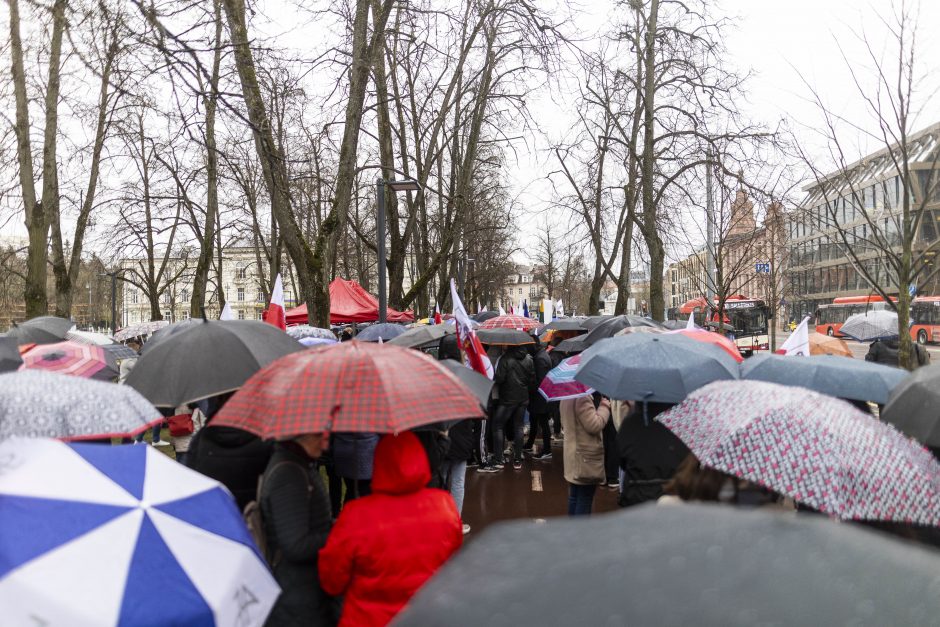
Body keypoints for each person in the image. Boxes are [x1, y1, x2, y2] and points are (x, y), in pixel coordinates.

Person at [319, 432, 462, 627]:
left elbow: (332, 580)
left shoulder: (356, 514)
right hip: (426, 617)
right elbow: (453, 564)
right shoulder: (444, 505)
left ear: (379, 462)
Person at [262, 433, 336, 626]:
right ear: (299, 436)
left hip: (304, 590)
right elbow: (295, 545)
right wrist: (338, 533)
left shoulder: (300, 464)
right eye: (318, 434)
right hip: (296, 598)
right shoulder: (289, 475)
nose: (326, 440)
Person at [186, 392, 274, 511]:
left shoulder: (201, 439)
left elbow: (192, 478)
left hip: (216, 514)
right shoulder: (268, 440)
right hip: (253, 517)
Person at [479, 345, 534, 472]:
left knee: (497, 426)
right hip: (523, 397)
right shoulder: (529, 359)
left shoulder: (505, 359)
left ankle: (498, 459)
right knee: (518, 426)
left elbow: (499, 378)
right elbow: (532, 378)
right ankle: (518, 459)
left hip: (507, 399)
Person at [560, 393, 611, 516]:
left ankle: (573, 532)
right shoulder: (582, 398)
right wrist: (604, 407)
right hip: (585, 457)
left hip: (572, 455)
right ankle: (580, 534)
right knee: (584, 499)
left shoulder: (566, 395)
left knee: (574, 497)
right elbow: (594, 425)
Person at [523, 335, 553, 460]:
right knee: (535, 420)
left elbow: (539, 381)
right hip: (541, 396)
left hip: (540, 397)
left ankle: (547, 450)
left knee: (543, 423)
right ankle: (530, 443)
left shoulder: (540, 359)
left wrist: (528, 385)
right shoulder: (541, 355)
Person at [865, 338, 930, 367]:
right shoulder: (918, 348)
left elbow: (868, 364)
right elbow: (927, 369)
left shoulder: (877, 346)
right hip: (908, 386)